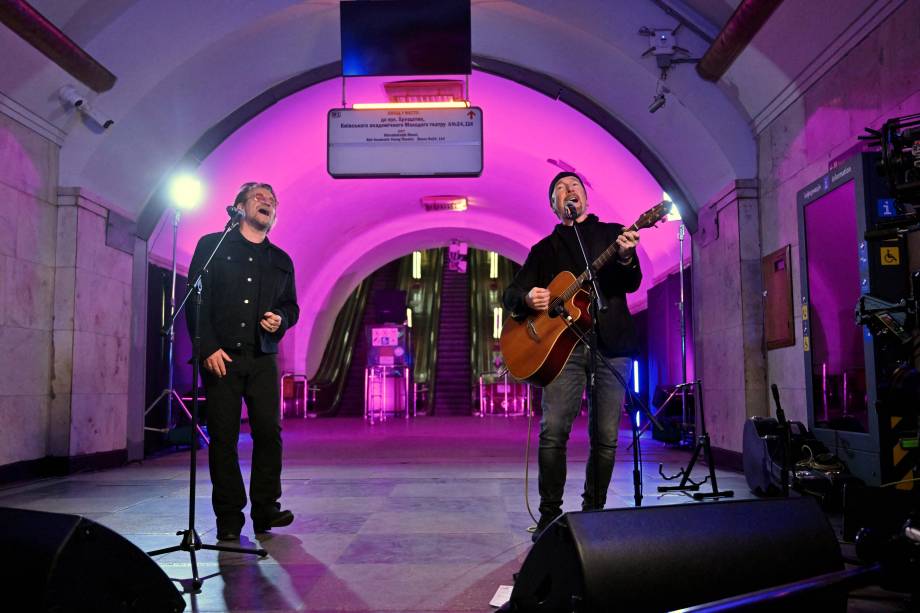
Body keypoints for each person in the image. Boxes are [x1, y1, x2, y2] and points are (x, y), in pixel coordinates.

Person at [503, 172, 641, 541]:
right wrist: (528, 299)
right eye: (561, 189)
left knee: (607, 436)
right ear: (553, 204)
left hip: (610, 347)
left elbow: (631, 282)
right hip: (561, 352)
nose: (570, 191)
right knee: (554, 433)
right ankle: (550, 516)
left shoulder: (612, 234)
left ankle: (593, 513)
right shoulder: (544, 250)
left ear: (586, 198)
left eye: (576, 186)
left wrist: (626, 258)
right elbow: (511, 293)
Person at [186, 181, 300, 541]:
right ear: (238, 207)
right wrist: (206, 348)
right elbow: (195, 300)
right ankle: (229, 519)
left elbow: (291, 307)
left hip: (263, 358)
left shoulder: (281, 260)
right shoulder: (212, 246)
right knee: (224, 439)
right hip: (222, 358)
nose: (268, 203)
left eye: (272, 200)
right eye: (259, 198)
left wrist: (281, 319)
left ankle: (266, 509)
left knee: (269, 433)